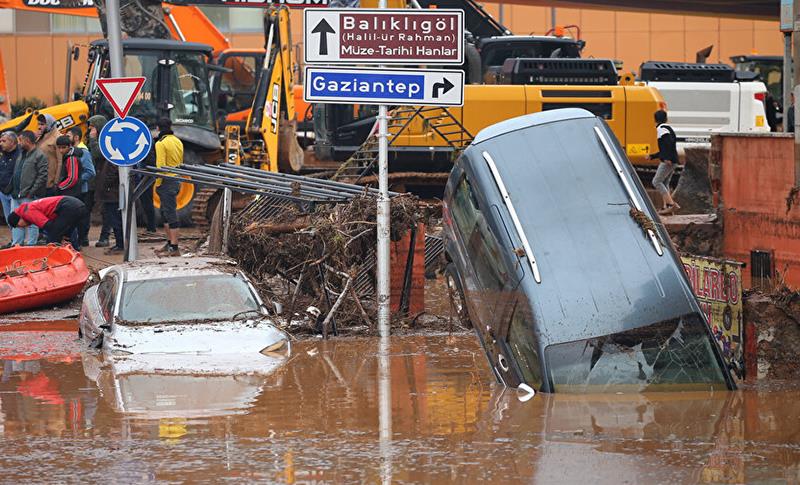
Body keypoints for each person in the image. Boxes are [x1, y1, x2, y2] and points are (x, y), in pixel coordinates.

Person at [5, 131, 48, 245]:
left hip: (29, 195)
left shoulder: (40, 155)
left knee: (32, 222)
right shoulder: (21, 154)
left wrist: (31, 192)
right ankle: (17, 245)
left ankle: (31, 245)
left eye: (20, 140)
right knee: (15, 221)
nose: (19, 143)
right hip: (16, 194)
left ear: (27, 141)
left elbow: (42, 176)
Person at [7, 195, 88, 248]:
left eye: (18, 225)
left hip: (68, 207)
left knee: (52, 239)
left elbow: (48, 226)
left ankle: (54, 262)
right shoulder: (28, 207)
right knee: (66, 237)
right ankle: (73, 252)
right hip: (77, 205)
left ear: (19, 219)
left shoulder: (27, 212)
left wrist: (53, 239)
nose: (23, 227)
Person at [154, 117, 183, 256]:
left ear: (158, 128)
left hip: (166, 181)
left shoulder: (161, 143)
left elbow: (160, 167)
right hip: (176, 180)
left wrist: (158, 184)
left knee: (170, 214)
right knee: (164, 213)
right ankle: (169, 242)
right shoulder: (178, 141)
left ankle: (175, 248)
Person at [86, 115, 114, 247]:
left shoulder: (106, 140)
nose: (90, 130)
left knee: (106, 210)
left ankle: (105, 236)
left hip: (104, 180)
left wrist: (93, 139)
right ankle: (83, 237)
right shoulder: (91, 140)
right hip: (92, 180)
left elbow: (98, 154)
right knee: (87, 208)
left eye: (92, 127)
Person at [647, 110, 680, 215]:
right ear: (666, 119)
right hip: (673, 159)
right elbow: (665, 147)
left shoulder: (661, 129)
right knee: (665, 183)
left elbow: (667, 144)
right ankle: (666, 208)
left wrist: (666, 158)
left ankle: (671, 205)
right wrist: (653, 156)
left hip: (668, 160)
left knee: (656, 181)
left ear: (655, 120)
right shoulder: (668, 128)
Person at [69, 126, 96, 246]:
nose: (66, 137)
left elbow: (90, 171)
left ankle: (82, 239)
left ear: (76, 137)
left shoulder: (83, 151)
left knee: (81, 217)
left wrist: (77, 181)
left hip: (81, 190)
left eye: (68, 135)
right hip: (74, 190)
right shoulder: (71, 150)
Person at [95, 150, 124, 253]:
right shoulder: (112, 159)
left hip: (112, 195)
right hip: (111, 194)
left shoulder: (114, 159)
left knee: (115, 220)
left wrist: (105, 186)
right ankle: (119, 244)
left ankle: (120, 245)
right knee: (114, 219)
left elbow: (111, 176)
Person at [0, 131, 20, 247]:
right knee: (8, 219)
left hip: (13, 193)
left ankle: (18, 243)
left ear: (12, 142)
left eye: (4, 141)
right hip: (2, 192)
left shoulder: (20, 155)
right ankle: (13, 240)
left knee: (15, 219)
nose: (1, 143)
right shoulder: (3, 154)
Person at [35, 113, 61, 196]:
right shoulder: (40, 137)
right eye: (38, 124)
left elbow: (60, 162)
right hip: (37, 182)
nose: (39, 127)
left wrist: (56, 183)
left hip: (49, 184)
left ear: (50, 124)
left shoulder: (58, 137)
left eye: (42, 124)